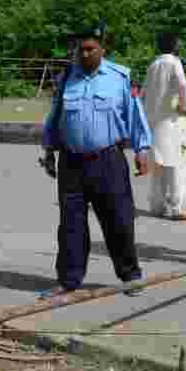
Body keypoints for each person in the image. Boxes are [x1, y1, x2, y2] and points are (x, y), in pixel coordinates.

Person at [40, 24, 152, 297]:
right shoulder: (67, 78)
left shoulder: (119, 77)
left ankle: (130, 276)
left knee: (119, 220)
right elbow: (56, 117)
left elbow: (134, 114)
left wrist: (142, 149)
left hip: (108, 159)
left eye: (91, 49)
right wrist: (49, 151)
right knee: (71, 224)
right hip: (71, 162)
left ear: (103, 50)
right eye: (81, 49)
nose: (86, 54)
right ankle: (68, 280)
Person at [142, 31, 186, 220]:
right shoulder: (174, 62)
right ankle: (177, 207)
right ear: (173, 45)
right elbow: (183, 85)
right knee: (177, 164)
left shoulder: (153, 65)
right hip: (173, 121)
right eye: (179, 42)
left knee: (159, 164)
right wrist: (184, 106)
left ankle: (158, 205)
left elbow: (144, 94)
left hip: (155, 122)